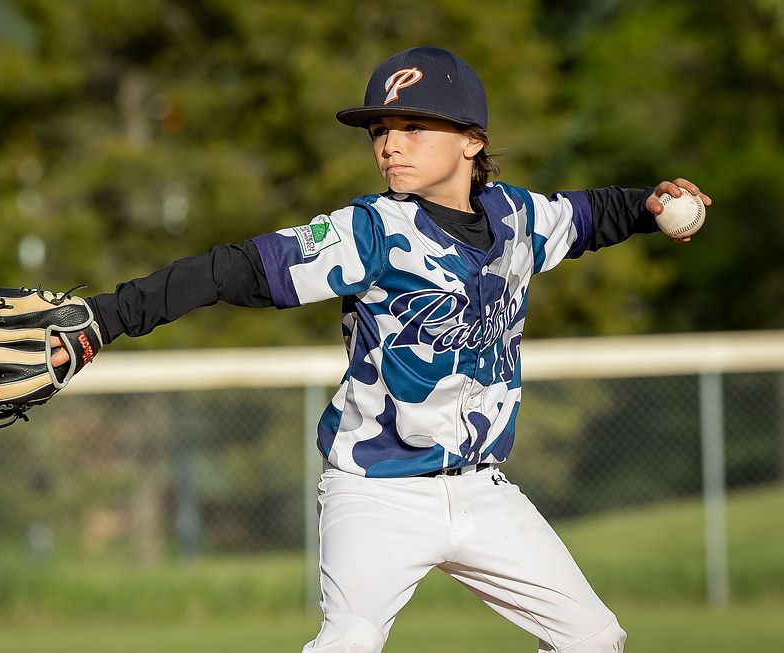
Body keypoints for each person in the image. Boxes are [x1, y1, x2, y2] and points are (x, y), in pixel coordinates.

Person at [52, 46, 711, 652]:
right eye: (380, 132)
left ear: (472, 141)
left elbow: (591, 215)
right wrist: (108, 318)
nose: (391, 144)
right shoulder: (371, 231)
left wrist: (650, 205)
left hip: (481, 490)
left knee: (594, 638)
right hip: (375, 490)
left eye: (414, 127)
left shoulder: (519, 219)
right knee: (351, 640)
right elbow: (236, 269)